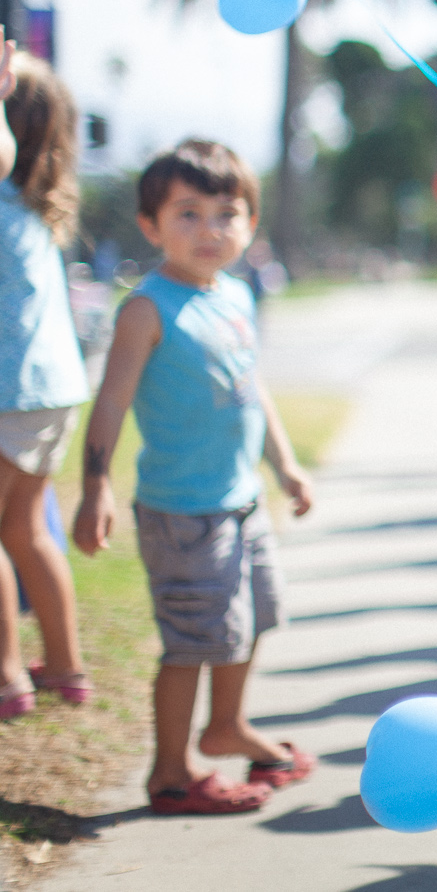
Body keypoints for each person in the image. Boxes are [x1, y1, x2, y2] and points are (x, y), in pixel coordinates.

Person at [73, 139, 315, 814]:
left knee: (251, 619)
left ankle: (227, 724)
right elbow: (111, 401)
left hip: (243, 500)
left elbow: (252, 388)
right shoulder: (146, 308)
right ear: (150, 226)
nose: (209, 230)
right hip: (184, 512)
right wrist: (95, 486)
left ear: (250, 224)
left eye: (225, 214)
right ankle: (171, 772)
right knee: (190, 644)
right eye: (188, 214)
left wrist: (286, 465)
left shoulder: (235, 294)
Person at [0, 42, 90, 719]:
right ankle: (65, 664)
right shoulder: (34, 208)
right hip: (54, 389)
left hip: (12, 393)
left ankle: (8, 676)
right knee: (26, 529)